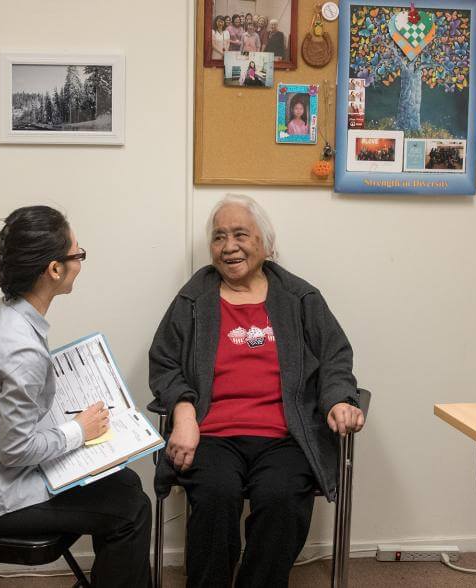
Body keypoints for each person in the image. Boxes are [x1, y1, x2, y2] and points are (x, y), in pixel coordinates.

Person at [149, 194, 365, 588]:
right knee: (215, 495)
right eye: (218, 237)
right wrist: (183, 413)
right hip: (212, 433)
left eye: (240, 234)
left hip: (286, 436)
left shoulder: (300, 298)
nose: (228, 246)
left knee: (281, 498)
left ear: (265, 243)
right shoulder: (194, 298)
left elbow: (335, 357)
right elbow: (164, 363)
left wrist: (337, 399)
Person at [0, 206, 151, 587]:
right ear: (54, 269)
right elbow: (15, 451)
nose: (81, 261)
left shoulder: (3, 313)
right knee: (132, 510)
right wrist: (79, 431)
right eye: (78, 254)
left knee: (126, 485)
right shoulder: (20, 349)